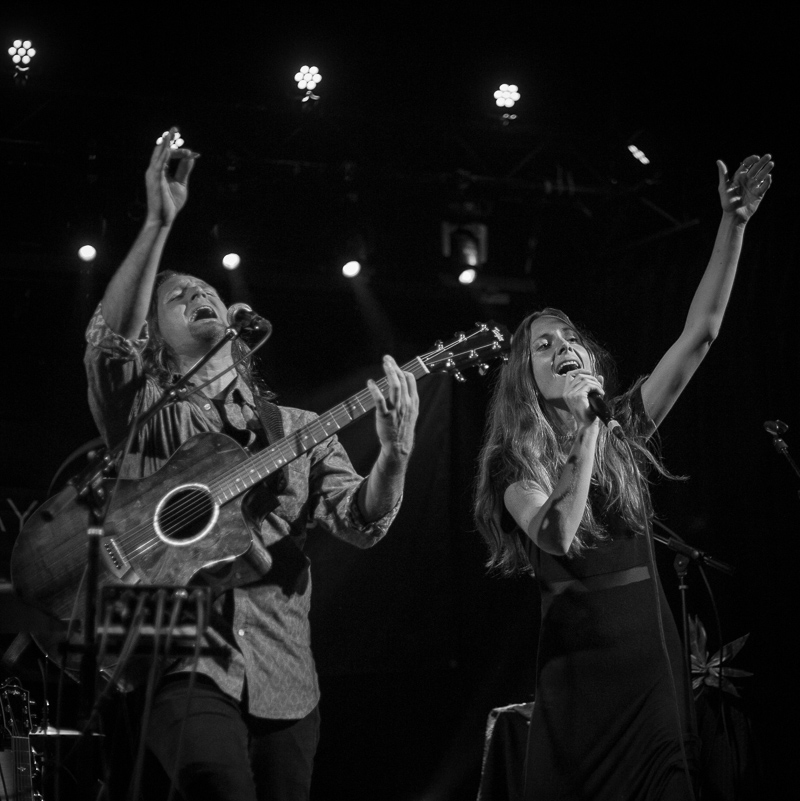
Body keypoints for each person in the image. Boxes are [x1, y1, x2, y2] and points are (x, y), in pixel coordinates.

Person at [84, 128, 419, 801]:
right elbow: (108, 349)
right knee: (216, 780)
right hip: (177, 657)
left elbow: (361, 520)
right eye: (178, 297)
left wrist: (395, 452)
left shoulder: (296, 428)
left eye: (207, 290)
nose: (199, 295)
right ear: (156, 336)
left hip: (285, 677)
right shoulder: (152, 413)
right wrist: (158, 222)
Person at [474, 153, 772, 800]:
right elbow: (556, 534)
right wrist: (587, 432)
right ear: (524, 379)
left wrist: (734, 224)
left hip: (651, 675)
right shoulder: (515, 461)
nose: (563, 348)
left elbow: (702, 333)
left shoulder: (624, 423)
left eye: (569, 338)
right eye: (543, 346)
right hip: (580, 688)